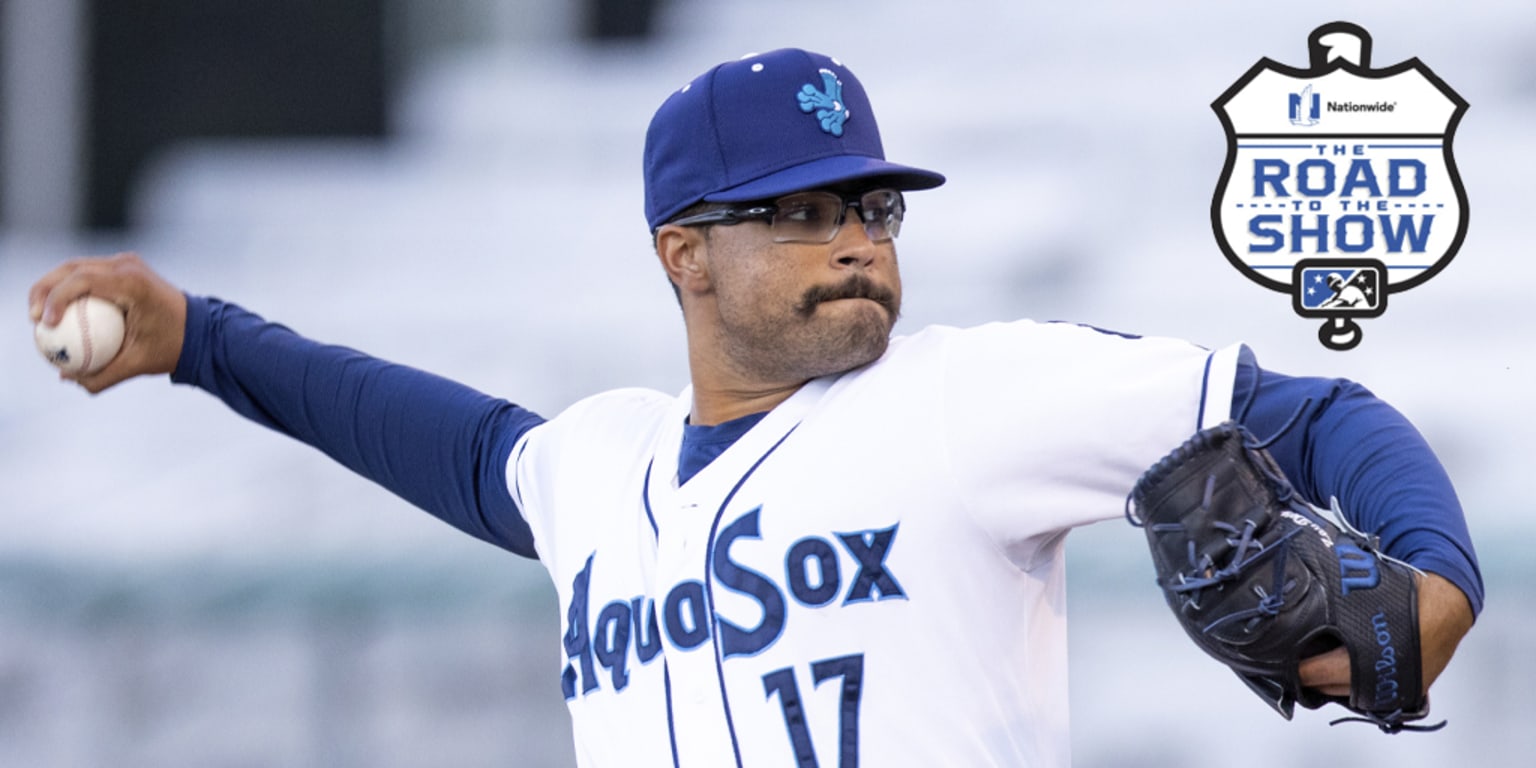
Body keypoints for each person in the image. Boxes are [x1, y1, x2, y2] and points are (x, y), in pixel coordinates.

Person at [28, 48, 1480, 767]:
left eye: (871, 206)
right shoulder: (595, 468)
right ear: (684, 252)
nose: (855, 236)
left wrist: (1440, 579)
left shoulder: (978, 394)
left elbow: (1313, 408)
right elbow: (445, 440)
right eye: (797, 212)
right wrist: (196, 340)